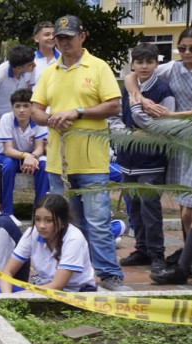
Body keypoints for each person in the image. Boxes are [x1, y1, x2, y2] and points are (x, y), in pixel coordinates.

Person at [31, 15, 126, 291]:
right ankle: (70, 275)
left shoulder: (98, 67)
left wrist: (78, 112)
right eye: (59, 38)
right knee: (64, 223)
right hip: (59, 164)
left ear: (82, 36)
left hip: (93, 161)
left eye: (69, 38)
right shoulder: (49, 71)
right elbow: (36, 109)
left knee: (97, 221)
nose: (63, 43)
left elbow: (113, 106)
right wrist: (51, 119)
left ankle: (109, 274)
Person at [126, 26, 192, 268]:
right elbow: (130, 76)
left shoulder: (166, 90)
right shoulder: (170, 69)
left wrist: (173, 116)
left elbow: (169, 114)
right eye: (182, 48)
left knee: (186, 209)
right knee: (183, 204)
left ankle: (179, 257)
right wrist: (140, 98)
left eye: (191, 49)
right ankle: (186, 256)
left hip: (179, 131)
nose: (186, 53)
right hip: (178, 144)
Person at [111, 42, 174, 275]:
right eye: (139, 62)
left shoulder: (164, 91)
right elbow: (115, 117)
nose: (144, 66)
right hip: (128, 160)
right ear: (132, 64)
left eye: (149, 62)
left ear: (157, 64)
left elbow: (166, 126)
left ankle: (157, 254)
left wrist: (142, 127)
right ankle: (142, 249)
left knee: (150, 207)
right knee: (134, 207)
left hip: (152, 161)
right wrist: (126, 135)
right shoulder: (127, 88)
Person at [0, 194, 97, 294]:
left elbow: (57, 285)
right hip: (40, 288)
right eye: (37, 219)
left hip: (72, 293)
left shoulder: (73, 239)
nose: (41, 226)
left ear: (63, 222)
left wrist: (21, 296)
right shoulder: (32, 233)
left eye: (49, 220)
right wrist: (7, 297)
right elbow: (7, 272)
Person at [0, 88, 48, 216]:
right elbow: (8, 150)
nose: (21, 110)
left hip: (30, 156)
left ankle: (40, 211)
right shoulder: (6, 118)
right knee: (8, 165)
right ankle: (7, 211)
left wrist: (32, 157)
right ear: (12, 107)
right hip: (6, 155)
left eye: (26, 106)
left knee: (44, 165)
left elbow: (39, 147)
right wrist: (27, 155)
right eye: (17, 106)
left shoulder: (38, 120)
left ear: (32, 107)